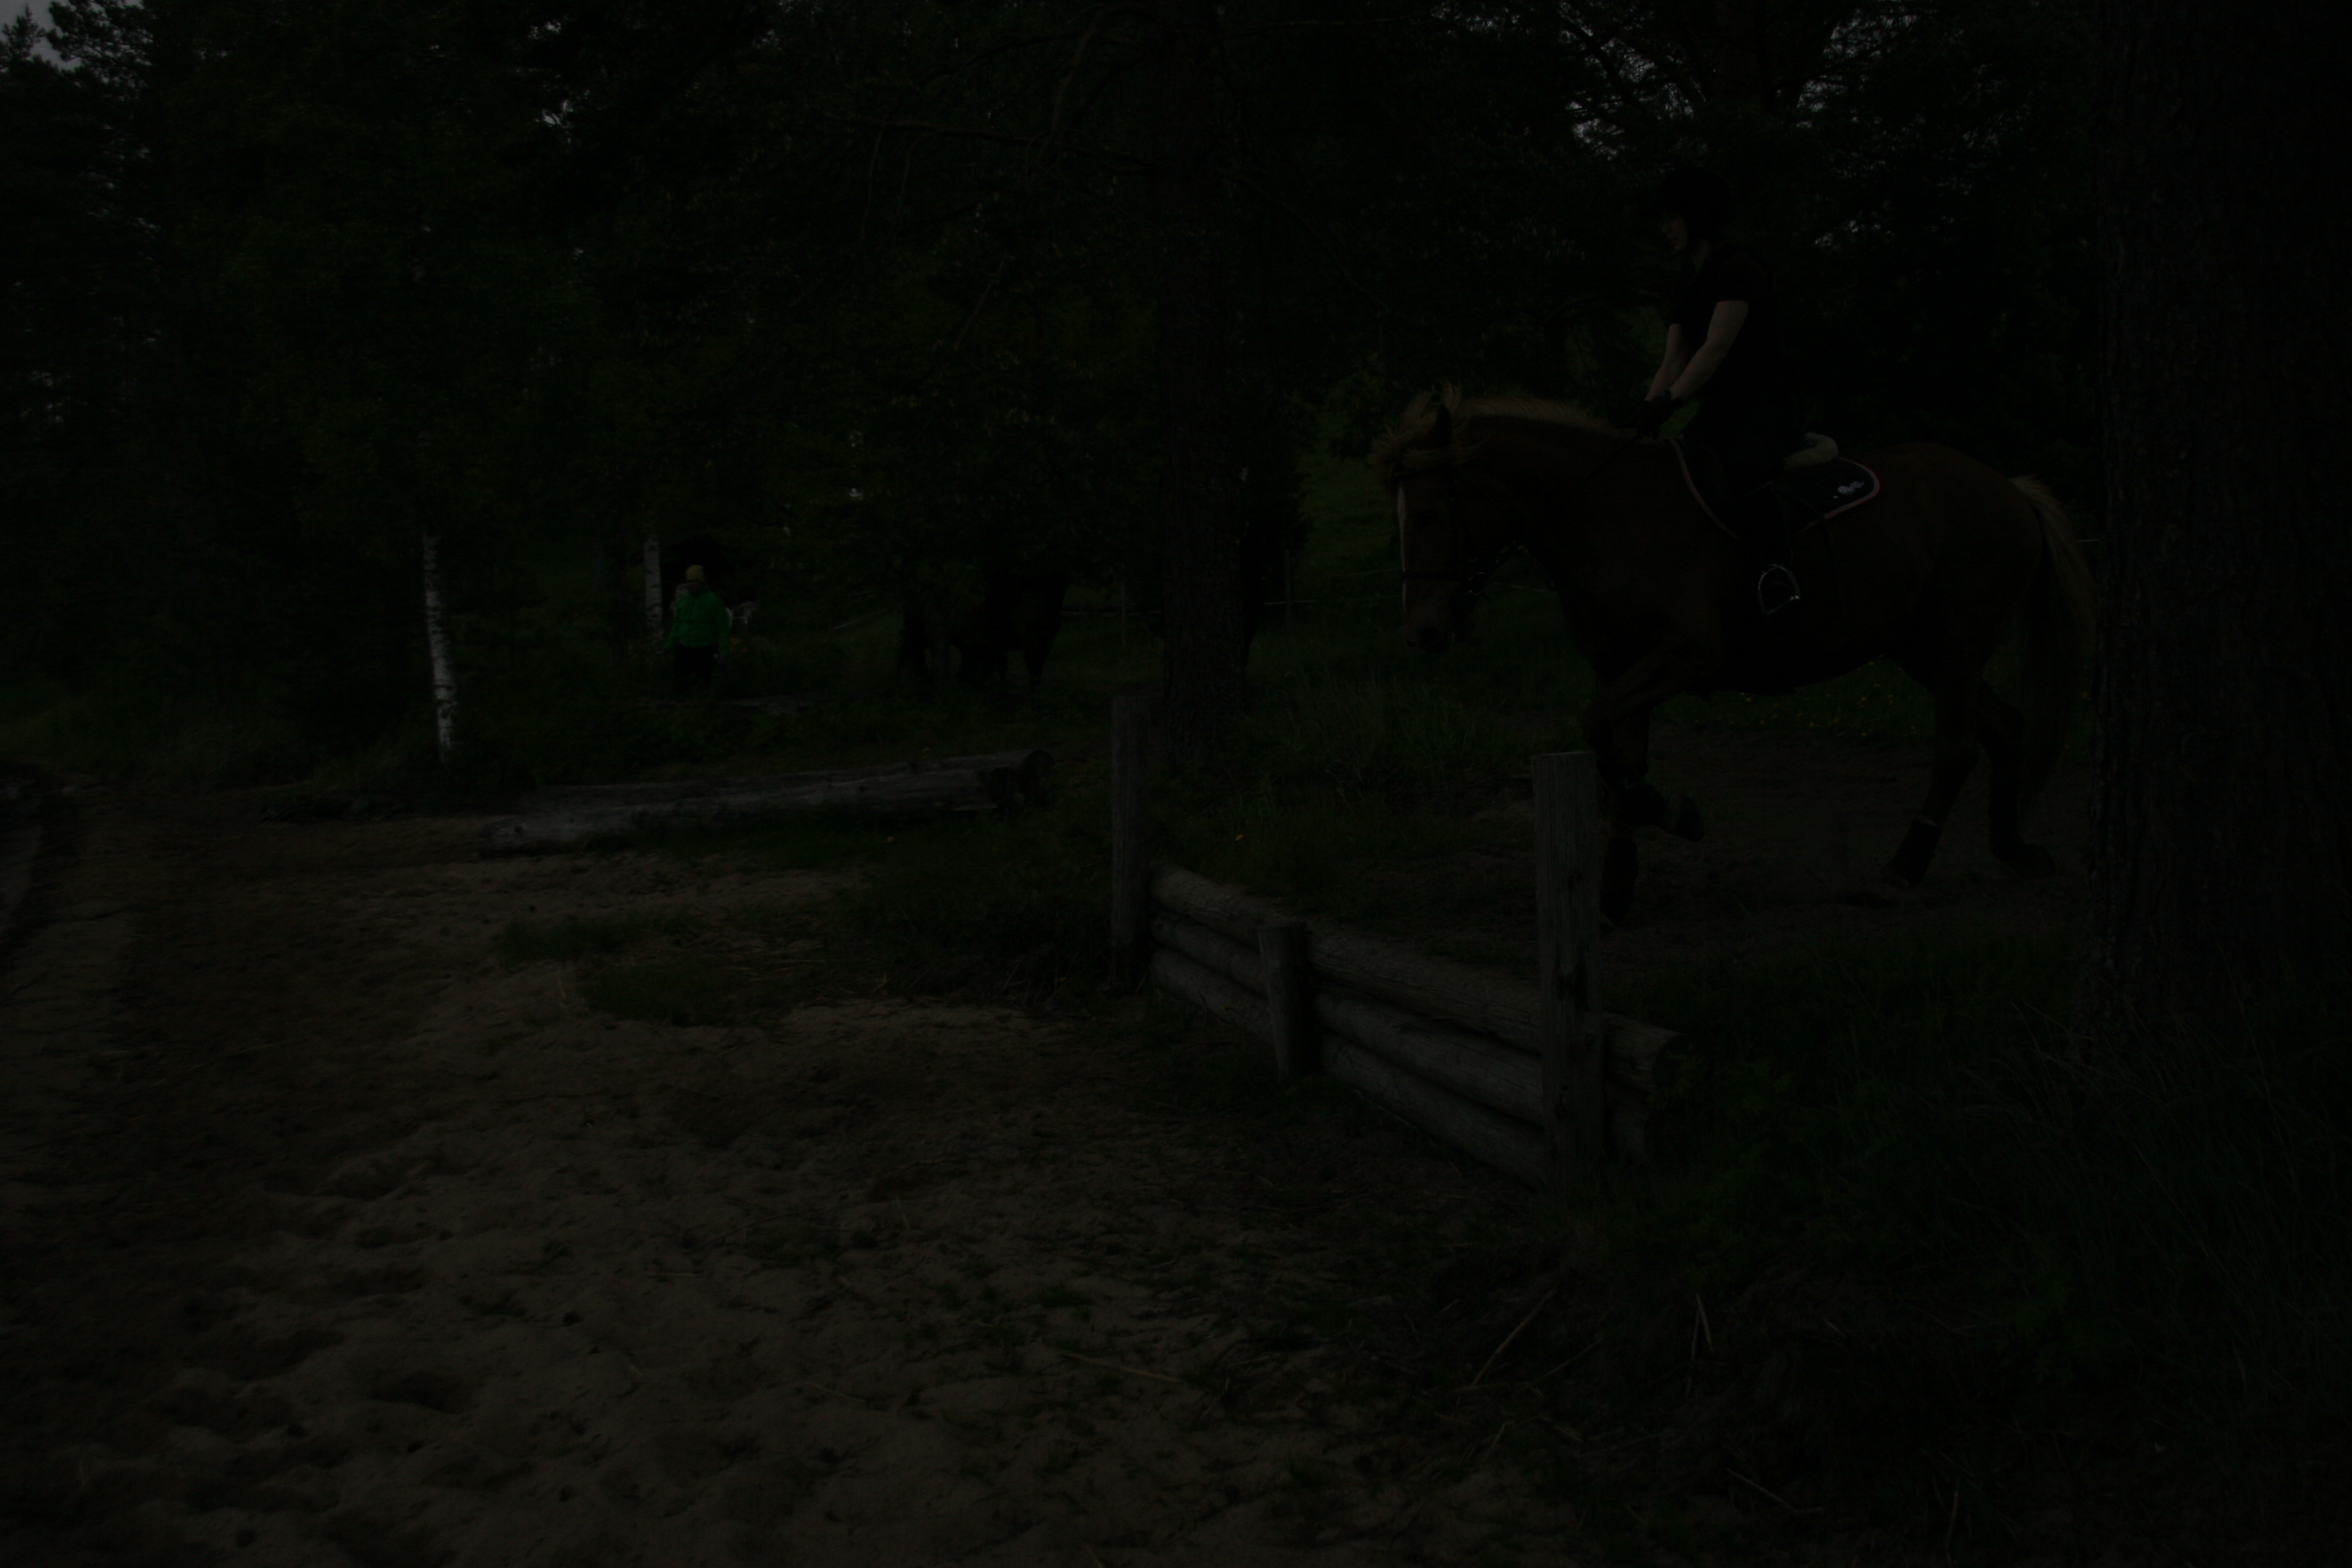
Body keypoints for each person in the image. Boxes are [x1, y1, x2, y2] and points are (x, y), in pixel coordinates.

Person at [1627, 166, 1809, 614]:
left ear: (1698, 216)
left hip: (1764, 403)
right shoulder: (1686, 283)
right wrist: (1644, 412)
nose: (1665, 228)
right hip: (1720, 408)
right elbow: (1674, 359)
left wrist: (1670, 403)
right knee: (1681, 474)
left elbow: (1716, 346)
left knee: (1744, 471)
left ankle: (1778, 572)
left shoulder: (1739, 267)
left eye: (1672, 218)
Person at [665, 563, 730, 694]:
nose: (693, 584)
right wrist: (669, 645)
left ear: (702, 582)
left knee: (703, 682)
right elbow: (677, 624)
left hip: (706, 648)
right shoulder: (684, 600)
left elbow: (723, 629)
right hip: (684, 647)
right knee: (679, 680)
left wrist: (724, 652)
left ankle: (704, 702)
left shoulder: (713, 601)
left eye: (696, 581)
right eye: (690, 581)